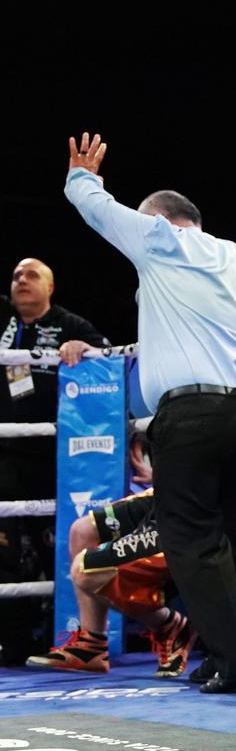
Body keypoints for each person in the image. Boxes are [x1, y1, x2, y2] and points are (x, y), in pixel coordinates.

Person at [65, 132, 236, 693]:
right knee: (219, 539)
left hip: (191, 417)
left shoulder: (160, 237)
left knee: (187, 540)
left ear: (161, 218)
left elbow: (97, 210)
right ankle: (229, 651)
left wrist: (81, 176)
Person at [28, 341, 236, 685]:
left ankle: (169, 625)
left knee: (88, 570)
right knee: (82, 531)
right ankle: (93, 646)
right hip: (178, 489)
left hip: (199, 520)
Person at [0, 257, 108, 664]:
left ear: (51, 286)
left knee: (55, 547)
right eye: (15, 276)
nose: (21, 280)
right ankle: (12, 638)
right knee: (7, 548)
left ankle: (63, 636)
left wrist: (85, 349)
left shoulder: (70, 324)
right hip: (7, 454)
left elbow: (107, 356)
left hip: (56, 457)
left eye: (31, 275)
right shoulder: (2, 321)